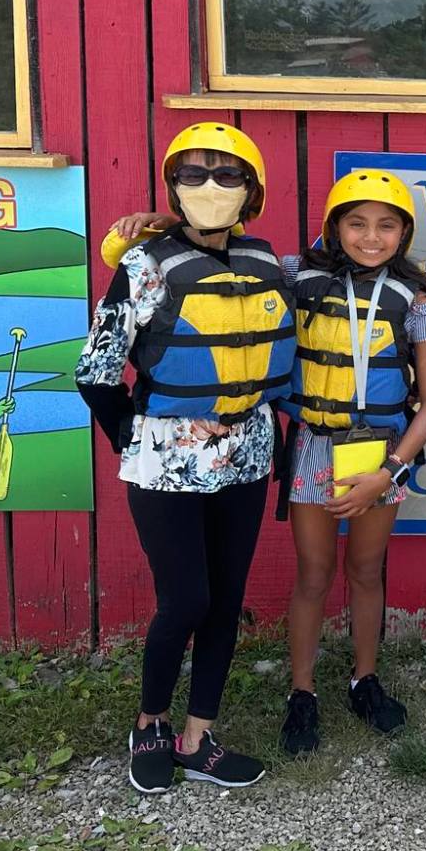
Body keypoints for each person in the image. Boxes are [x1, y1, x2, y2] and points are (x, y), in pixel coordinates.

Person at [77, 122, 295, 795]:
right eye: (193, 174)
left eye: (227, 175)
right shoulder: (143, 265)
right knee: (186, 600)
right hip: (166, 460)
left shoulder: (267, 264)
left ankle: (198, 737)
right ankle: (150, 723)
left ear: (252, 191)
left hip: (247, 455)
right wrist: (132, 433)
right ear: (173, 187)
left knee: (225, 601)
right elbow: (96, 370)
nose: (210, 187)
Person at [277, 169, 426, 749]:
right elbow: (226, 251)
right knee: (314, 572)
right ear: (335, 227)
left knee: (366, 570)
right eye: (356, 223)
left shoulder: (417, 301)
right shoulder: (296, 276)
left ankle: (364, 679)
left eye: (385, 226)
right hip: (313, 445)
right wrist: (165, 225)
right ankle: (302, 693)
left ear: (404, 233)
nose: (371, 237)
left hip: (380, 452)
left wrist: (389, 472)